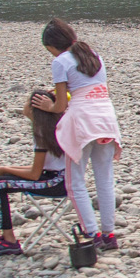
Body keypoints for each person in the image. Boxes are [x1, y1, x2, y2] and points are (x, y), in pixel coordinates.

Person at [34, 18, 123, 250]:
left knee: (75, 182)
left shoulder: (61, 62)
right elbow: (96, 89)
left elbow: (61, 105)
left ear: (53, 46)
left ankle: (91, 234)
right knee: (104, 179)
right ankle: (109, 234)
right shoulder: (94, 56)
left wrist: (47, 107)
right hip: (106, 118)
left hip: (82, 121)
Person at [0, 89, 69, 255]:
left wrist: (5, 169)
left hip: (55, 183)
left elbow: (35, 174)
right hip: (59, 178)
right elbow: (41, 170)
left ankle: (8, 240)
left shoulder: (42, 134)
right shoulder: (55, 127)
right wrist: (4, 169)